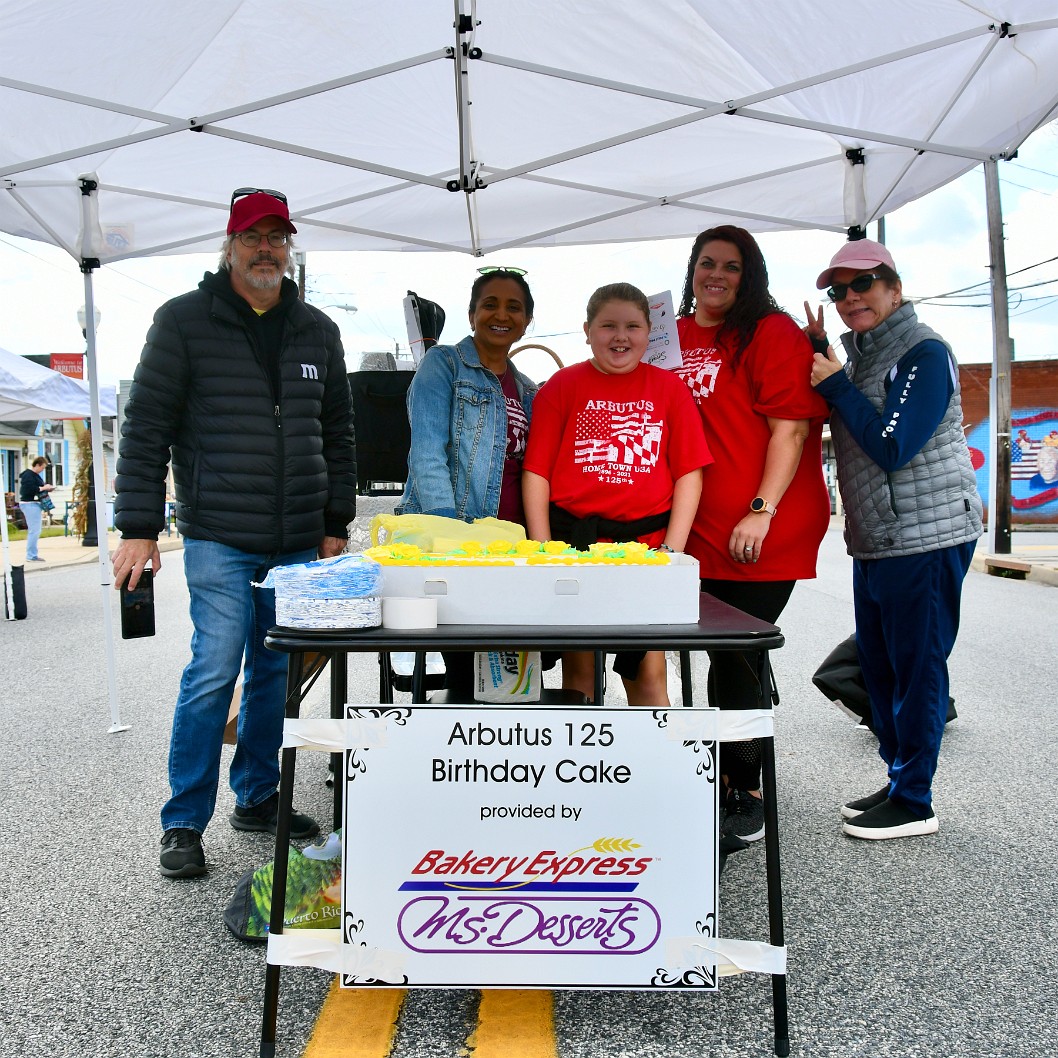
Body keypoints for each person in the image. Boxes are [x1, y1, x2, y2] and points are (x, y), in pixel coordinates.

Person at [112, 189, 357, 879]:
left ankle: (257, 796)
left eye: (277, 238)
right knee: (215, 667)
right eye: (254, 237)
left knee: (276, 673)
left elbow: (337, 431)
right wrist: (137, 526)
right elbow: (146, 429)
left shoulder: (317, 330)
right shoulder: (183, 322)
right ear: (229, 245)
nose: (266, 249)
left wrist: (335, 522)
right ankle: (184, 820)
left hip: (298, 541)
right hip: (220, 533)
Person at [809, 238, 983, 840]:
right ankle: (898, 778)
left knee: (918, 668)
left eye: (864, 284)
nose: (850, 297)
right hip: (879, 538)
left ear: (894, 288)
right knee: (880, 669)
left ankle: (916, 800)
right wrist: (827, 360)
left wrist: (834, 385)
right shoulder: (861, 355)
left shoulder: (924, 351)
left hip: (927, 537)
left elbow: (891, 443)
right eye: (839, 290)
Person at [673, 225, 830, 843]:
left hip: (762, 522)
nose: (716, 275)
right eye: (706, 262)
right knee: (724, 653)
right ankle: (714, 760)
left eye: (731, 266)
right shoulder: (673, 334)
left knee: (733, 653)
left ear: (750, 274)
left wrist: (761, 508)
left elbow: (789, 430)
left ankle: (747, 787)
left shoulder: (770, 333)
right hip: (695, 524)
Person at [522, 282, 710, 706]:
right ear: (587, 330)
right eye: (608, 326)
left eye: (632, 326)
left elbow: (689, 474)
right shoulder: (562, 386)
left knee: (648, 670)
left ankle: (657, 763)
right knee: (581, 670)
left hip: (645, 550)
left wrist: (672, 551)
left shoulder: (670, 390)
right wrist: (541, 547)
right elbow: (536, 472)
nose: (620, 336)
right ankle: (585, 766)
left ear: (648, 333)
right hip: (574, 549)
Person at [398, 267, 538, 693]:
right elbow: (426, 453)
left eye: (514, 307)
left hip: (512, 547)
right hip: (457, 543)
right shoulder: (443, 365)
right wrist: (451, 538)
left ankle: (509, 757)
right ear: (472, 312)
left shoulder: (529, 390)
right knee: (466, 667)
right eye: (490, 304)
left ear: (528, 320)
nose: (501, 314)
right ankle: (460, 757)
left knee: (509, 671)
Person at [18, 456, 55, 562]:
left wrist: (47, 487)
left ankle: (32, 554)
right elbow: (28, 490)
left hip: (34, 504)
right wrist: (44, 488)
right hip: (29, 504)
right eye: (42, 468)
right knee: (34, 531)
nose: (43, 470)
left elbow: (38, 487)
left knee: (35, 530)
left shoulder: (35, 476)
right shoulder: (28, 475)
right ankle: (31, 555)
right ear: (37, 465)